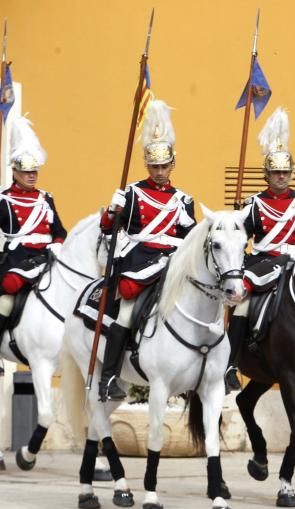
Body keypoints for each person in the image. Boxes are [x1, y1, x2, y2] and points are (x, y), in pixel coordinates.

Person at [99, 100, 196, 401]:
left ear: (172, 165)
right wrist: (113, 211)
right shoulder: (133, 192)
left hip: (174, 263)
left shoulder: (184, 199)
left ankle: (192, 374)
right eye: (154, 166)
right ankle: (109, 376)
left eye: (164, 166)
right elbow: (108, 228)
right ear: (147, 166)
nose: (159, 171)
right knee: (126, 312)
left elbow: (190, 238)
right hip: (141, 261)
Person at [225, 107, 295, 392]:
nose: (281, 177)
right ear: (267, 174)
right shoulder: (253, 204)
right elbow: (241, 238)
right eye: (276, 172)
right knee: (240, 301)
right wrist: (236, 221)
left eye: (285, 172)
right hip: (262, 262)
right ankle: (231, 363)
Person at [0, 115, 67, 377]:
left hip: (46, 257)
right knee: (7, 297)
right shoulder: (3, 199)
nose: (31, 176)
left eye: (34, 171)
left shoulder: (45, 198)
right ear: (15, 172)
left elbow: (58, 230)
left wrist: (59, 243)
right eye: (26, 172)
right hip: (17, 259)